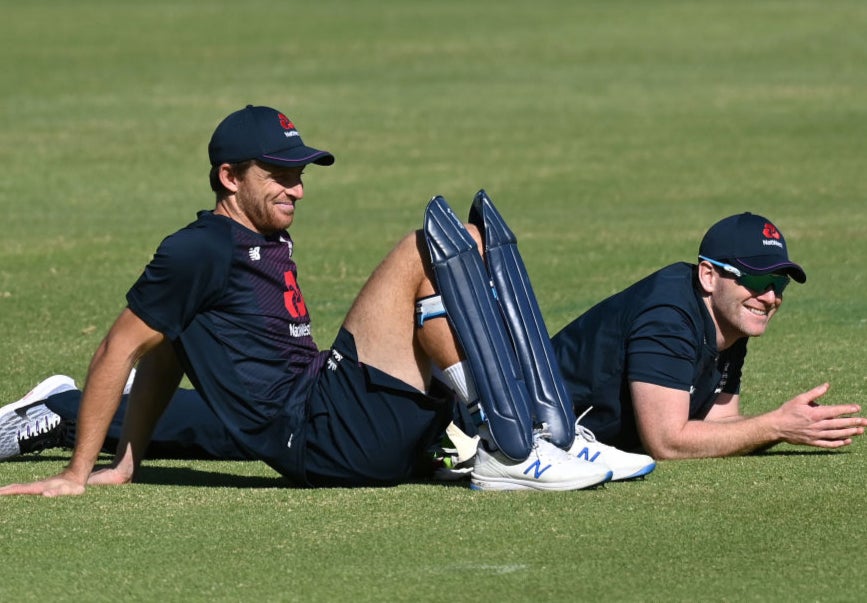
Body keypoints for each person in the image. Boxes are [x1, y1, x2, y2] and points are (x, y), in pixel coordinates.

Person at [0, 104, 637, 496]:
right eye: (279, 174)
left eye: (299, 174)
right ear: (230, 177)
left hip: (341, 428)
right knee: (429, 248)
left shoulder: (261, 239)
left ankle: (535, 429)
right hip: (322, 434)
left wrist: (128, 461)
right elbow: (123, 347)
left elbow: (166, 355)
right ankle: (515, 443)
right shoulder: (200, 248)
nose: (297, 189)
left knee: (462, 249)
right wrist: (80, 473)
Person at [550, 212, 867, 459]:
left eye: (779, 283)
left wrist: (786, 424)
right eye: (756, 280)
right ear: (708, 276)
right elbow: (667, 443)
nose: (770, 297)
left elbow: (718, 423)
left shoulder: (729, 320)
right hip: (523, 438)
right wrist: (775, 426)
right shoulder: (667, 318)